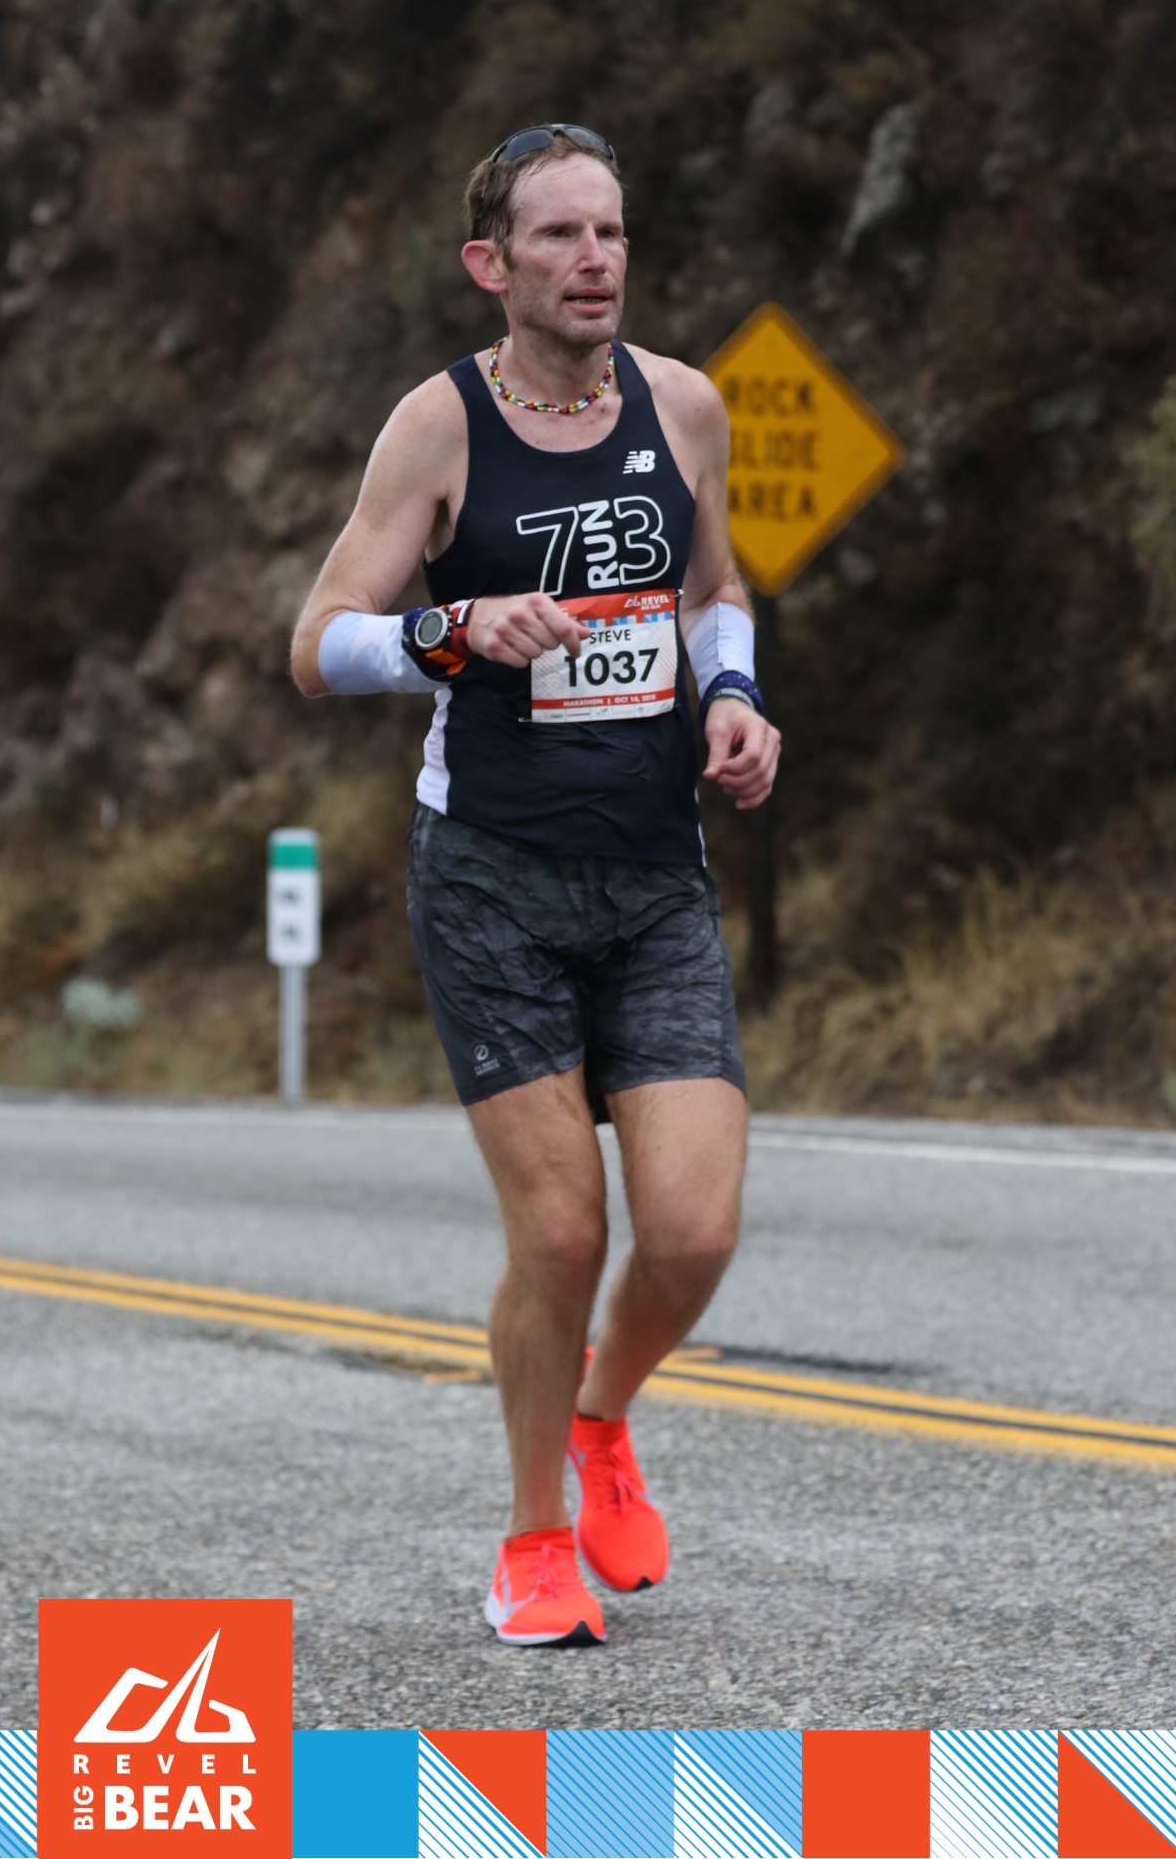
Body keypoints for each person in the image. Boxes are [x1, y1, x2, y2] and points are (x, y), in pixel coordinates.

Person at [292, 123, 781, 1647]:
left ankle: (600, 1414)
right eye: (561, 236)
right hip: (491, 879)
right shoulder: (436, 427)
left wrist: (734, 696)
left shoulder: (683, 405)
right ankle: (529, 1539)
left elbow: (713, 590)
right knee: (563, 1236)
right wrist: (451, 635)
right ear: (489, 265)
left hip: (651, 875)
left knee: (691, 1231)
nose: (595, 261)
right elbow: (319, 641)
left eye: (611, 232)